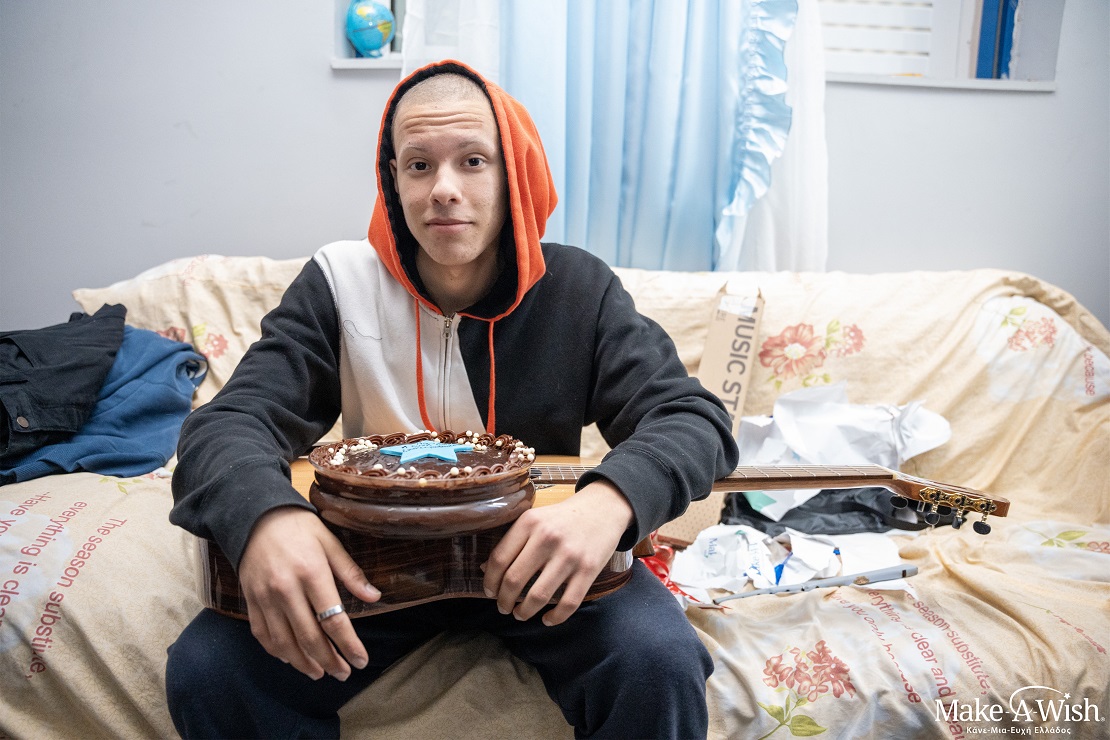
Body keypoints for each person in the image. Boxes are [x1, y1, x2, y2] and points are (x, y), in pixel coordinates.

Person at [166, 59, 738, 739]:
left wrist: (608, 504)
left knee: (657, 658)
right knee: (208, 669)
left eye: (473, 161)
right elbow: (228, 423)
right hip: (372, 559)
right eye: (418, 166)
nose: (443, 189)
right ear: (393, 179)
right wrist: (265, 519)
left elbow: (692, 418)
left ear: (512, 173)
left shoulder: (578, 289)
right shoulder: (337, 284)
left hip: (533, 559)